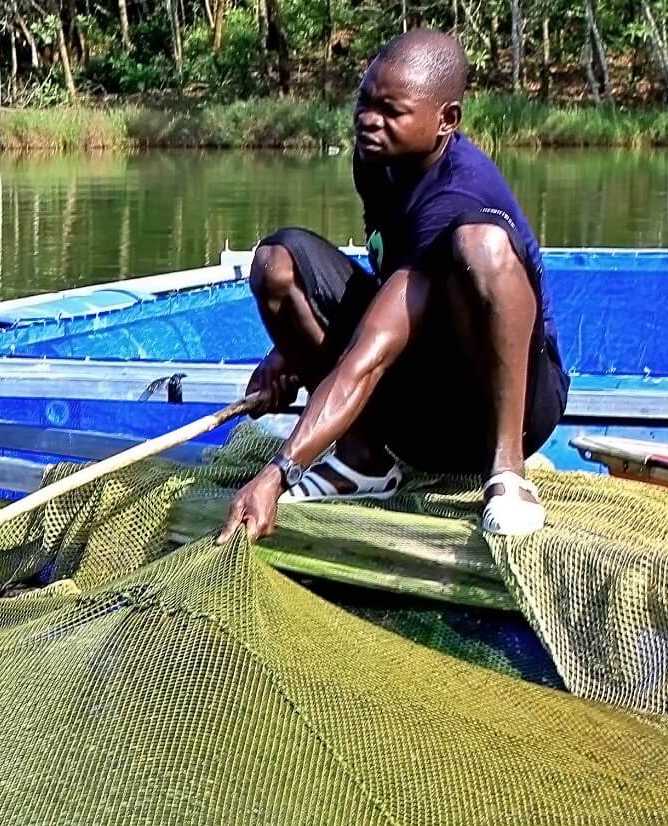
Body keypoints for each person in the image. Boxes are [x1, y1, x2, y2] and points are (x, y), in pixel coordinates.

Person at [218, 29, 568, 542]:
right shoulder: (376, 160)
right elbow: (388, 276)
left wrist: (279, 471)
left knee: (482, 247)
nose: (367, 120)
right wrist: (292, 350)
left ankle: (507, 472)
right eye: (364, 101)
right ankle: (365, 459)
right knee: (278, 262)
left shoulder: (460, 191)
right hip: (419, 403)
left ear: (446, 121)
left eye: (390, 110)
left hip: (505, 405)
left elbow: (374, 352)